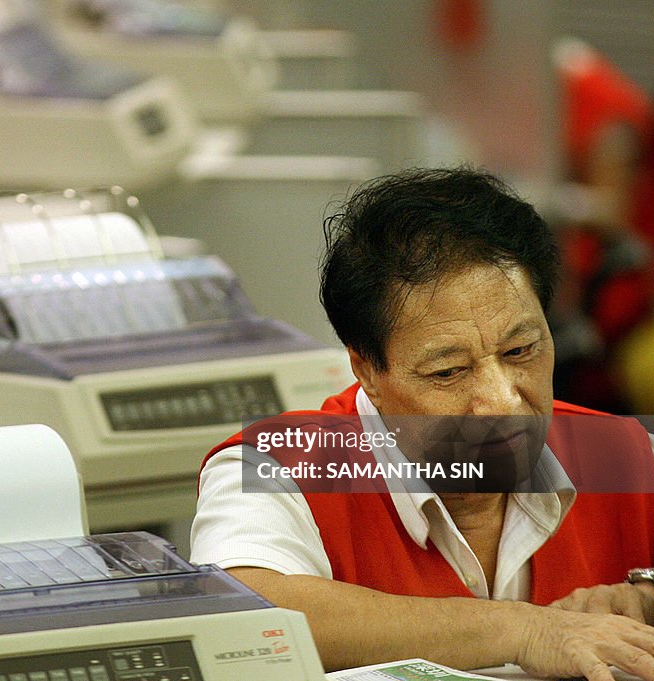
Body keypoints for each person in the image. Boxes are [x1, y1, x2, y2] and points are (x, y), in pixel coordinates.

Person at [191, 167, 654, 681]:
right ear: (367, 370)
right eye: (449, 372)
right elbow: (239, 612)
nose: (502, 401)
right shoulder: (277, 464)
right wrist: (522, 630)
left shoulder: (624, 454)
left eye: (521, 350)